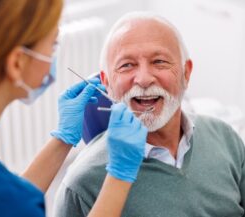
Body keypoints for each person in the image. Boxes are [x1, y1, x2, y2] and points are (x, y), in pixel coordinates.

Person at [0, 1, 148, 217]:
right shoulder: (6, 198)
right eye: (53, 45)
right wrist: (120, 175)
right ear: (17, 63)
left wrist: (63, 139)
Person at [53, 11, 245, 217]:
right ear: (106, 83)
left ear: (186, 73)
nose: (144, 79)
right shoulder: (81, 186)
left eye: (159, 61)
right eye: (127, 65)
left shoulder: (226, 138)